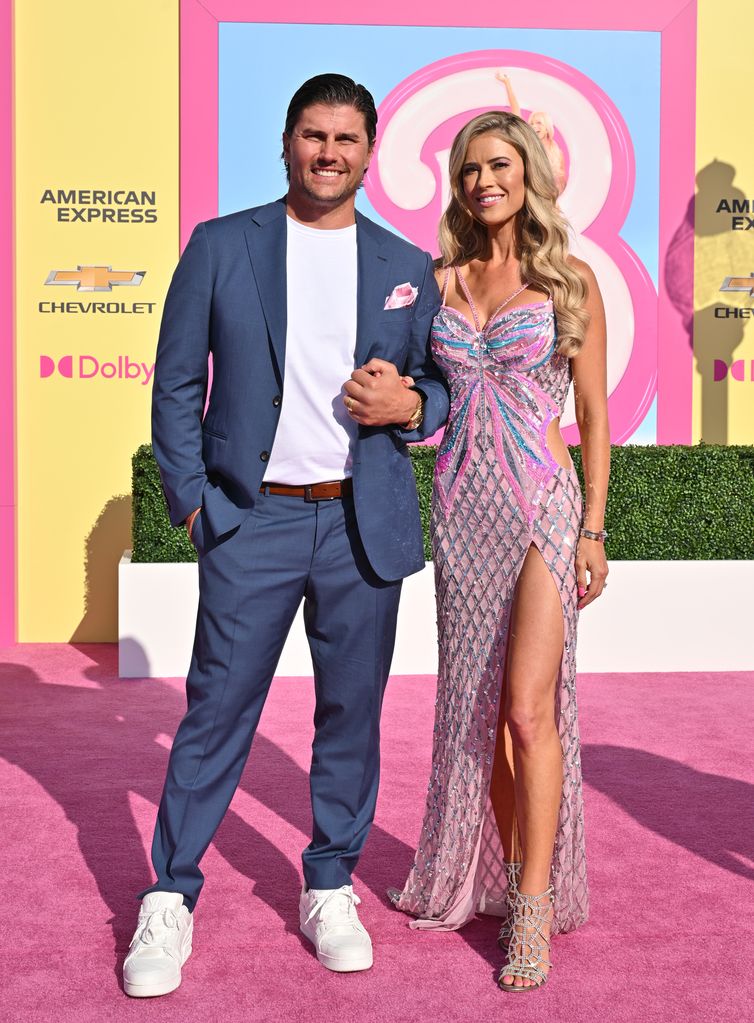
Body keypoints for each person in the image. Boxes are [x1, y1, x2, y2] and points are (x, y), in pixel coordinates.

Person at [122, 73, 449, 998]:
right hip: (251, 517)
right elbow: (177, 383)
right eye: (314, 135)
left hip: (360, 523)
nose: (329, 153)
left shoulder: (404, 265)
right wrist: (196, 502)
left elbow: (440, 389)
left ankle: (330, 881)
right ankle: (170, 894)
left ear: (371, 152)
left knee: (351, 715)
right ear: (288, 141)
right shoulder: (224, 246)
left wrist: (414, 400)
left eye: (347, 139)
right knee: (216, 711)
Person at [391, 110, 609, 992]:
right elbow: (420, 398)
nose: (485, 180)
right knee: (479, 718)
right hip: (462, 511)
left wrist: (595, 527)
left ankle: (530, 912)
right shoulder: (436, 284)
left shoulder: (569, 280)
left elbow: (592, 418)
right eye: (471, 168)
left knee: (528, 711)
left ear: (530, 175)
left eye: (501, 165)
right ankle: (519, 871)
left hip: (545, 508)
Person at [496, 72, 567, 195]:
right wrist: (507, 83)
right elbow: (515, 110)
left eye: (539, 123)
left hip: (548, 197)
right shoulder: (529, 142)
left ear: (547, 128)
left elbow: (561, 182)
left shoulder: (556, 153)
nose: (534, 126)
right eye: (532, 123)